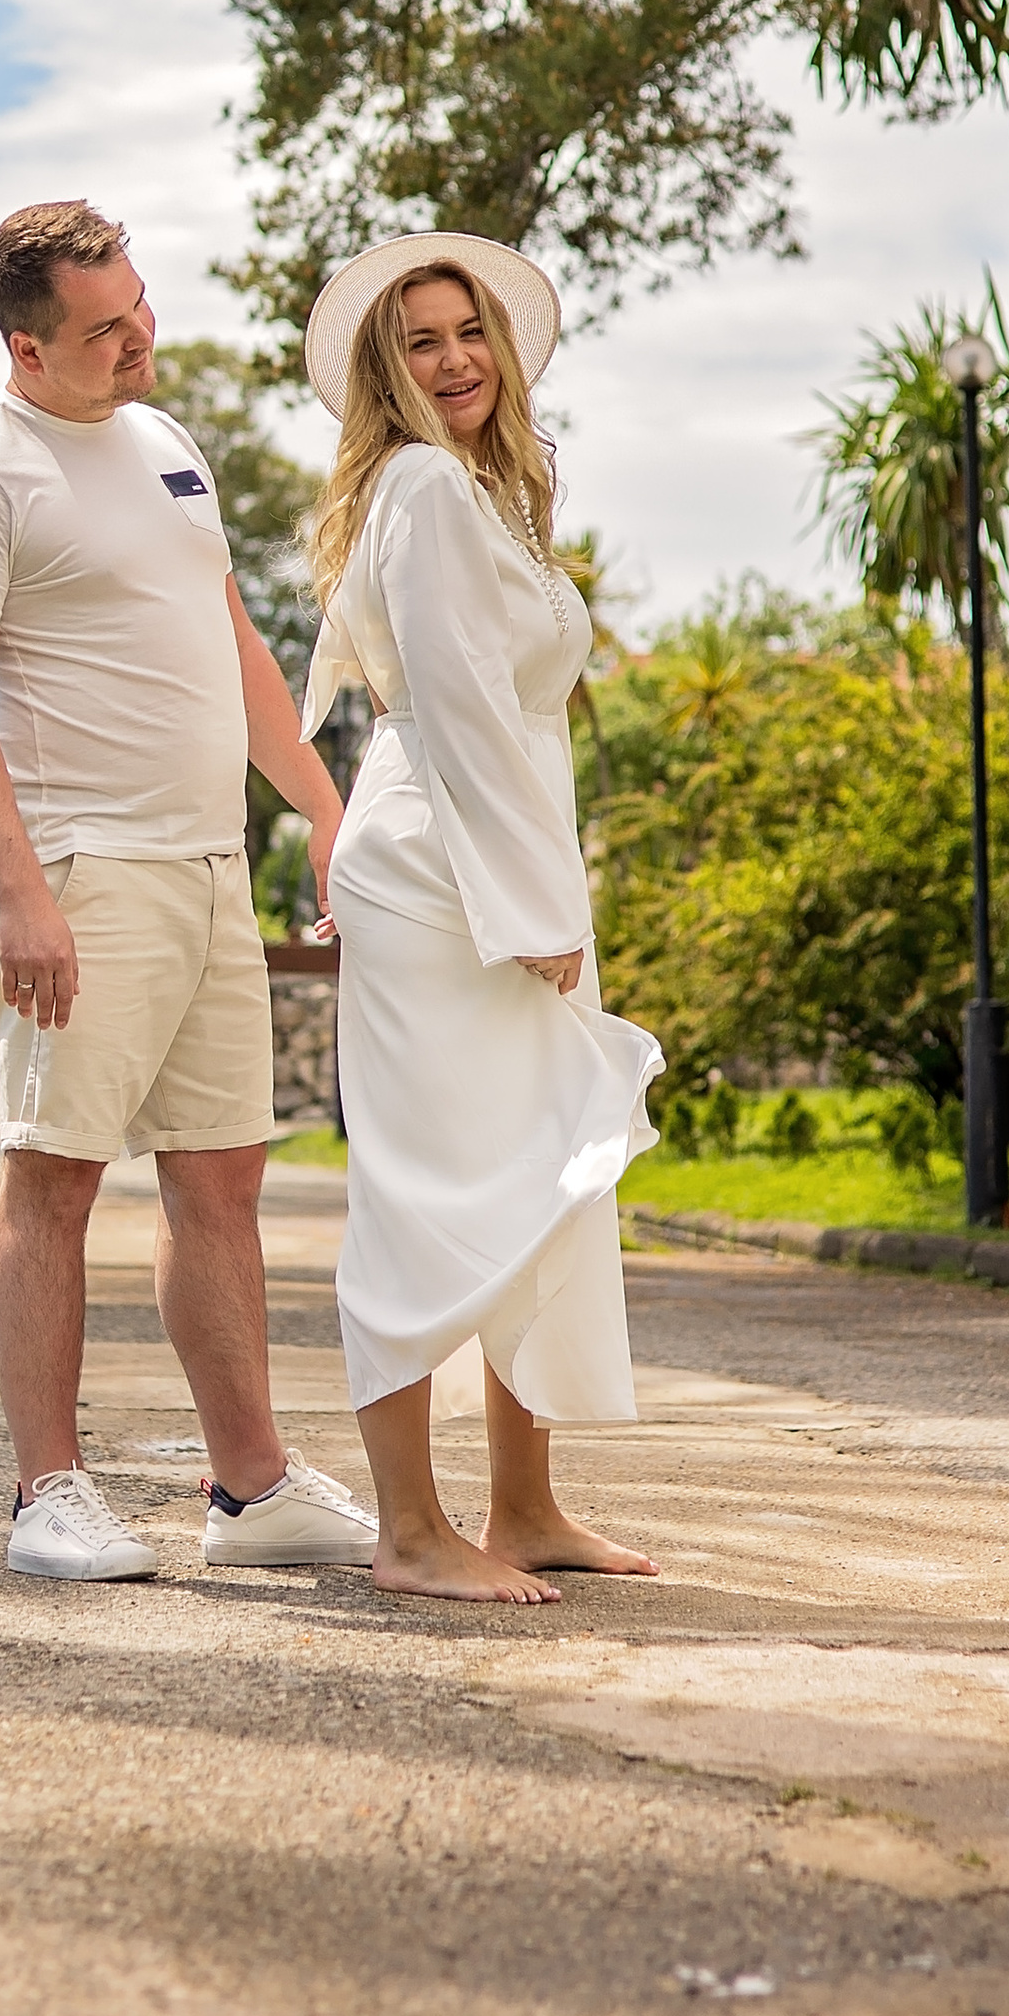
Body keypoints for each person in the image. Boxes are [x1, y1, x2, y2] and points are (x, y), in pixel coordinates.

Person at [0, 198, 378, 1583]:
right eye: (106, 328)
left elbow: (230, 641)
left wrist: (316, 801)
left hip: (206, 865)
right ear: (25, 346)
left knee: (221, 1180)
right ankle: (47, 1494)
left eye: (142, 306)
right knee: (52, 1180)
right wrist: (22, 898)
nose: (139, 339)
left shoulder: (164, 445)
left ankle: (252, 1490)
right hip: (80, 872)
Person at [300, 234, 661, 1603]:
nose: (453, 358)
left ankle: (524, 1505)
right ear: (384, 375)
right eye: (420, 343)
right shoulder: (424, 490)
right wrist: (530, 902)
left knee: (546, 1170)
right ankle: (408, 1534)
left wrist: (543, 887)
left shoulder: (488, 490)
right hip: (449, 867)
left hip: (501, 852)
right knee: (433, 1182)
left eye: (468, 334)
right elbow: (453, 705)